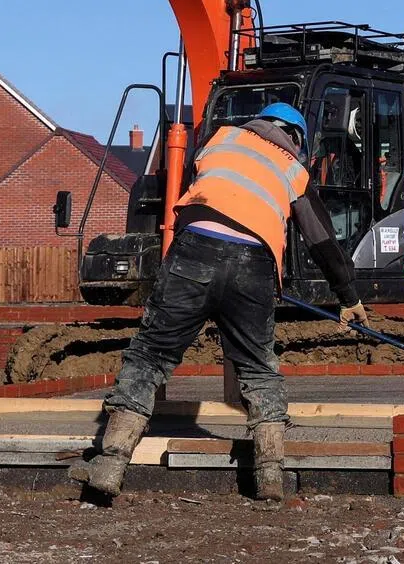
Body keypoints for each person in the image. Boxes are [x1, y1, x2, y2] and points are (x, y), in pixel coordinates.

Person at [71, 102, 369, 500]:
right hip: (254, 265)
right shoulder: (294, 170)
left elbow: (208, 192)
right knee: (258, 369)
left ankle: (110, 462)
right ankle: (270, 477)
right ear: (296, 138)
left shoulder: (220, 139)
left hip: (192, 254)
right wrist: (348, 296)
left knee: (150, 356)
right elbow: (321, 240)